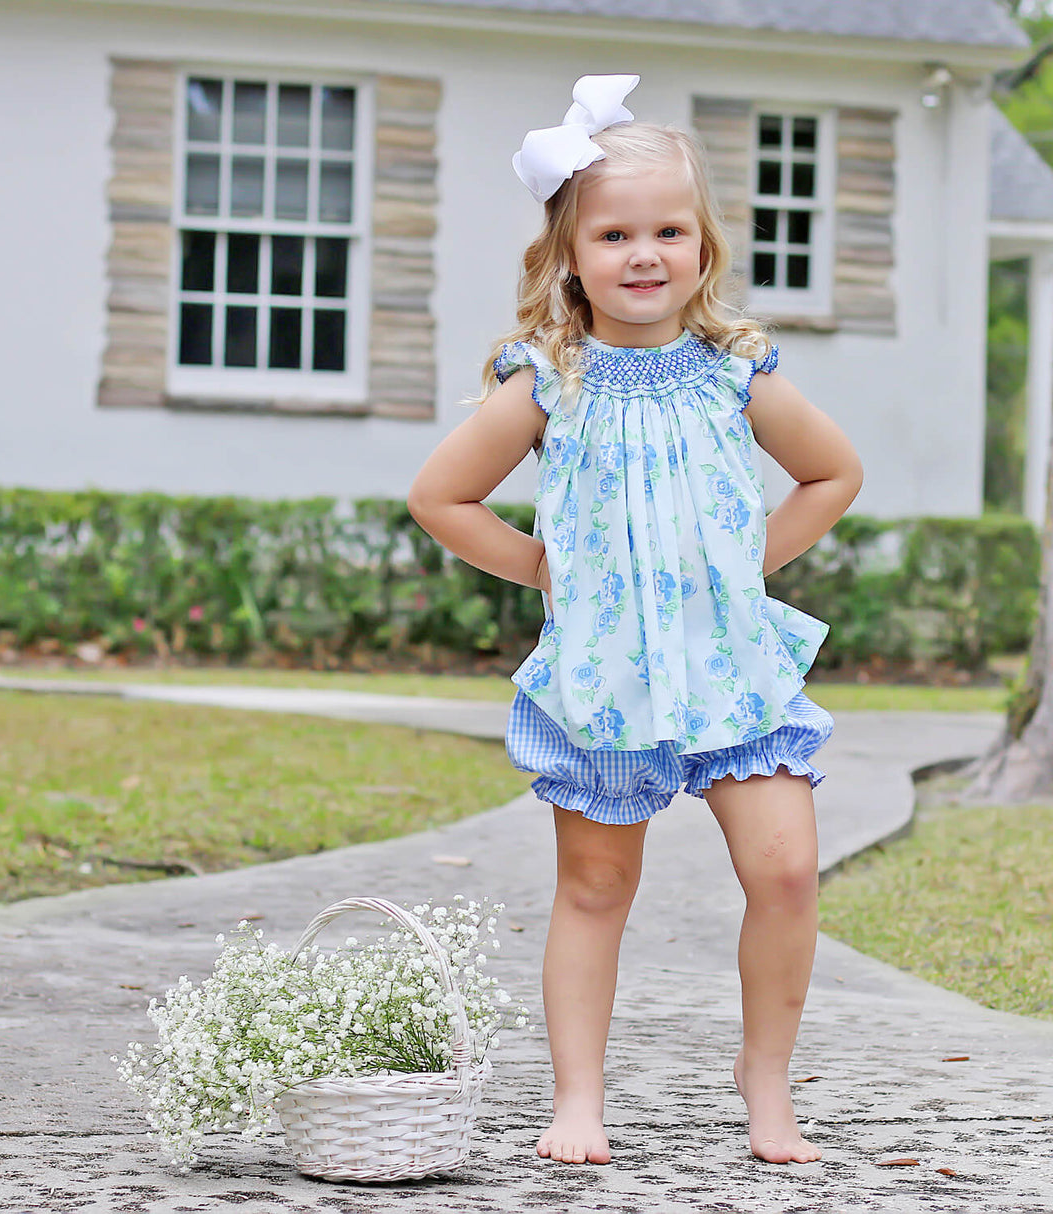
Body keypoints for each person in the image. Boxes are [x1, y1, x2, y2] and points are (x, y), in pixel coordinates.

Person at [407, 75, 863, 1167]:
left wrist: (733, 570)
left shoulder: (734, 371)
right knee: (597, 882)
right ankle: (577, 1096)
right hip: (605, 671)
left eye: (668, 229)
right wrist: (549, 571)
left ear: (701, 248)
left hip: (732, 667)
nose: (643, 252)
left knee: (787, 869)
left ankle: (764, 1080)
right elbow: (440, 496)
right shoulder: (547, 380)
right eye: (614, 232)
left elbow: (830, 473)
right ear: (570, 252)